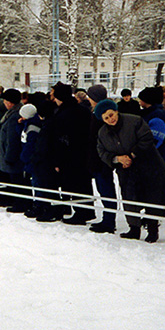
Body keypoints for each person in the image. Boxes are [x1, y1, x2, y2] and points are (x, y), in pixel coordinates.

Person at [96, 99, 165, 243]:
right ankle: (134, 229)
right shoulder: (102, 133)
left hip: (147, 166)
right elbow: (102, 152)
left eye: (111, 115)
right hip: (125, 170)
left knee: (151, 198)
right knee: (130, 198)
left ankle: (152, 230)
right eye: (106, 118)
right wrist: (117, 159)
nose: (110, 119)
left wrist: (131, 155)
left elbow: (147, 139)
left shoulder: (134, 121)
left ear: (116, 111)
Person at [51, 82, 96, 225]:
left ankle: (81, 213)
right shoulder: (82, 109)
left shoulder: (63, 113)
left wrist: (57, 160)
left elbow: (60, 138)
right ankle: (87, 210)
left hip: (70, 155)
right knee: (83, 183)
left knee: (74, 184)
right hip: (84, 152)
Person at [86, 85, 118, 233]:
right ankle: (107, 219)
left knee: (106, 188)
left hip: (102, 158)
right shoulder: (96, 113)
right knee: (103, 188)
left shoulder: (102, 115)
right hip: (98, 158)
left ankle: (109, 221)